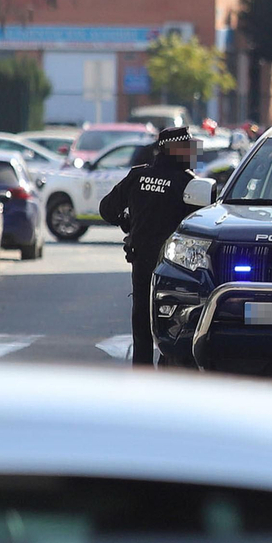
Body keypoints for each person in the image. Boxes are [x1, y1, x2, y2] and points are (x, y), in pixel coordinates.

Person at [98, 125, 200, 367]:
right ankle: (167, 369)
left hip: (141, 259)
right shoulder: (187, 183)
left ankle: (142, 377)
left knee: (142, 323)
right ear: (172, 150)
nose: (191, 153)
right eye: (187, 148)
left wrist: (127, 224)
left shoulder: (138, 176)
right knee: (174, 321)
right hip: (174, 266)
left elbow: (107, 209)